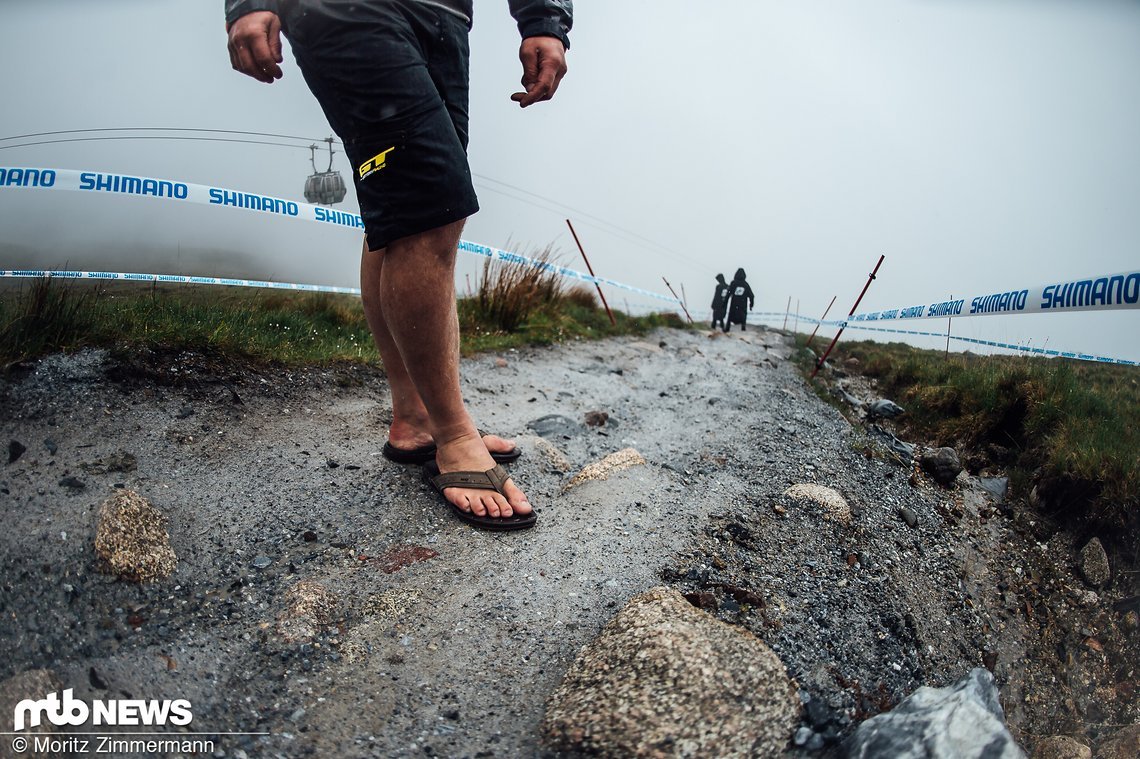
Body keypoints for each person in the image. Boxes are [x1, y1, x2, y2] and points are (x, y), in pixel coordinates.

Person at [225, 0, 572, 530]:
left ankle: (415, 418)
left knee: (399, 213)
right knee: (430, 205)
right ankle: (454, 437)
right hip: (344, 10)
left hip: (443, 17)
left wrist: (543, 19)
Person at [725, 268, 754, 332]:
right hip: (742, 305)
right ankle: (743, 327)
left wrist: (724, 303)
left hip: (734, 304)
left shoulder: (733, 283)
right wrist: (751, 305)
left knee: (731, 316)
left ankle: (727, 327)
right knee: (742, 316)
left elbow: (728, 294)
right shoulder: (746, 284)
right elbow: (751, 296)